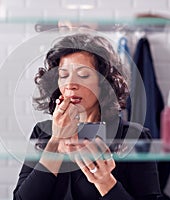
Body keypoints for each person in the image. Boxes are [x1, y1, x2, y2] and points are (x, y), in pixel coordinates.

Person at [13, 33, 161, 200]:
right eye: (63, 75)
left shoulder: (134, 136)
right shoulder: (42, 133)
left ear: (104, 83)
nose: (70, 84)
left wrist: (105, 182)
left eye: (83, 75)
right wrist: (55, 142)